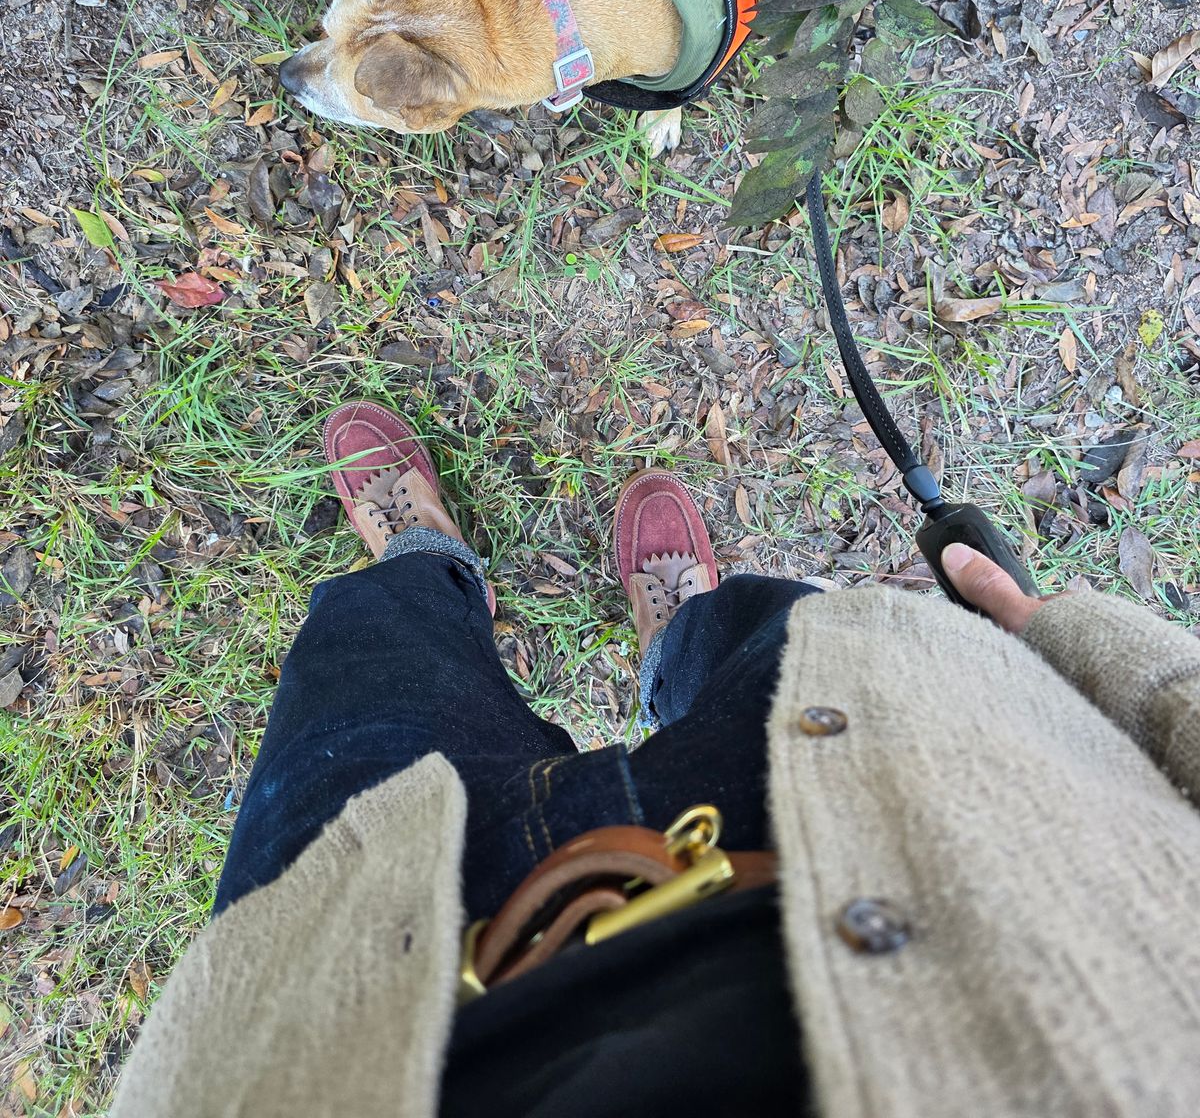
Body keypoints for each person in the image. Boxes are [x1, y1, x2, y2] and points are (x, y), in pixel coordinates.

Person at [112, 401, 1200, 1118]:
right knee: (762, 634)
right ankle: (679, 639)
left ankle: (423, 558)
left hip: (328, 991)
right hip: (928, 794)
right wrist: (1088, 650)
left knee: (368, 651)